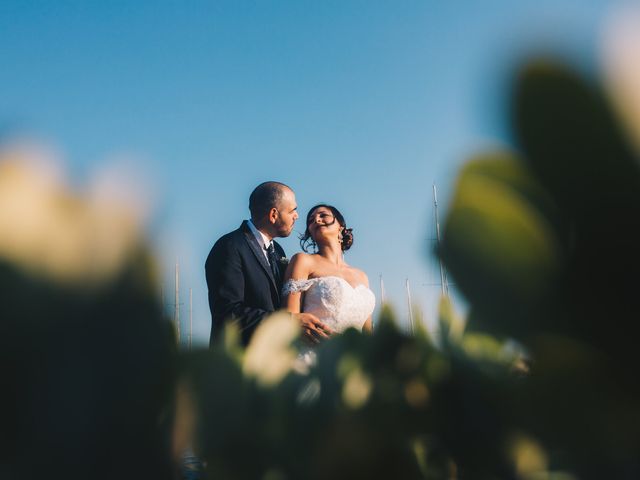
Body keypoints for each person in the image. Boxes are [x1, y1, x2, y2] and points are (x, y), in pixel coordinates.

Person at [205, 181, 327, 346]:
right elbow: (228, 314)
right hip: (241, 361)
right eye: (293, 210)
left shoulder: (278, 251)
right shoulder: (230, 246)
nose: (297, 216)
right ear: (273, 215)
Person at [282, 204, 375, 349]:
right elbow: (291, 318)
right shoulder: (303, 261)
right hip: (315, 355)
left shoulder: (362, 276)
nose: (316, 221)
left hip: (353, 362)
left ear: (341, 226)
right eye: (311, 221)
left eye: (323, 215)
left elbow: (367, 335)